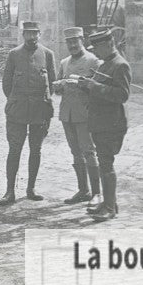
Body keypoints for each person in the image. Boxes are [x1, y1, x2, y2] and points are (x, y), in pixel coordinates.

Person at [68, 30, 130, 220]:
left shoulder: (120, 65)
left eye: (98, 48)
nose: (95, 52)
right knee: (104, 165)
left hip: (111, 123)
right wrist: (84, 85)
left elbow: (122, 95)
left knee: (106, 165)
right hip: (99, 122)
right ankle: (108, 202)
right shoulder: (105, 65)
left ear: (109, 44)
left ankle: (109, 208)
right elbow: (100, 91)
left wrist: (93, 86)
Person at [0, 21, 56, 206]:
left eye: (35, 34)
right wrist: (17, 99)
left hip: (39, 110)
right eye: (28, 34)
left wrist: (41, 101)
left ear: (39, 34)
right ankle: (9, 191)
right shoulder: (14, 54)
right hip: (18, 110)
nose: (31, 37)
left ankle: (31, 188)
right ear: (23, 35)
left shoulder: (47, 54)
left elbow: (52, 82)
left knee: (36, 150)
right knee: (14, 149)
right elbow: (6, 83)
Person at [55, 27, 102, 204]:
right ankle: (83, 190)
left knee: (89, 152)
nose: (72, 45)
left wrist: (84, 85)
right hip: (67, 114)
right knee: (75, 153)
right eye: (69, 42)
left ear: (83, 40)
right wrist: (58, 86)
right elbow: (59, 88)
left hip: (85, 113)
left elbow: (100, 88)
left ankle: (96, 193)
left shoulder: (93, 61)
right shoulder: (64, 62)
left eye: (75, 41)